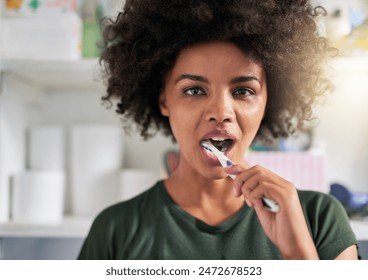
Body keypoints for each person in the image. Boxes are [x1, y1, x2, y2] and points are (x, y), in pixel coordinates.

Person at [78, 0, 359, 260]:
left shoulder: (320, 219)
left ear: (268, 101)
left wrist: (299, 254)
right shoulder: (114, 230)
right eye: (195, 90)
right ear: (164, 99)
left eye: (243, 90)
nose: (221, 112)